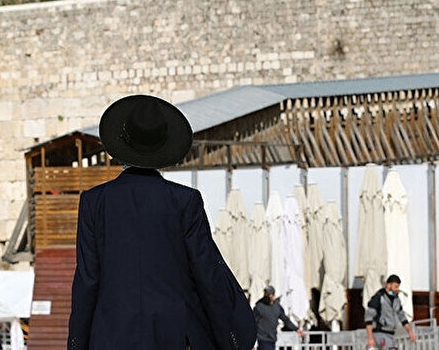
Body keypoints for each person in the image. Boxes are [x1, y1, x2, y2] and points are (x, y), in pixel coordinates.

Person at [67, 95, 257, 350]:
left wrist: (77, 343)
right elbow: (207, 272)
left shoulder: (94, 202)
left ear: (121, 146)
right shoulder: (185, 201)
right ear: (162, 148)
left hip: (110, 336)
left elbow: (87, 280)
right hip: (174, 334)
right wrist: (231, 336)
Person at [365, 274, 416, 349]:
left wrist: (410, 332)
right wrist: (370, 338)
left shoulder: (396, 299)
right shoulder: (379, 297)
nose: (397, 289)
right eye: (395, 286)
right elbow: (368, 318)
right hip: (380, 333)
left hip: (391, 334)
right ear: (388, 285)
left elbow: (402, 316)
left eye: (398, 287)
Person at [253, 286, 303, 350]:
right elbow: (253, 323)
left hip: (272, 338)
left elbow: (285, 319)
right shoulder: (259, 306)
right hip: (262, 338)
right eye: (265, 293)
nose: (266, 295)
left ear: (273, 295)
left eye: (268, 294)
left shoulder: (277, 306)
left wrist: (296, 329)